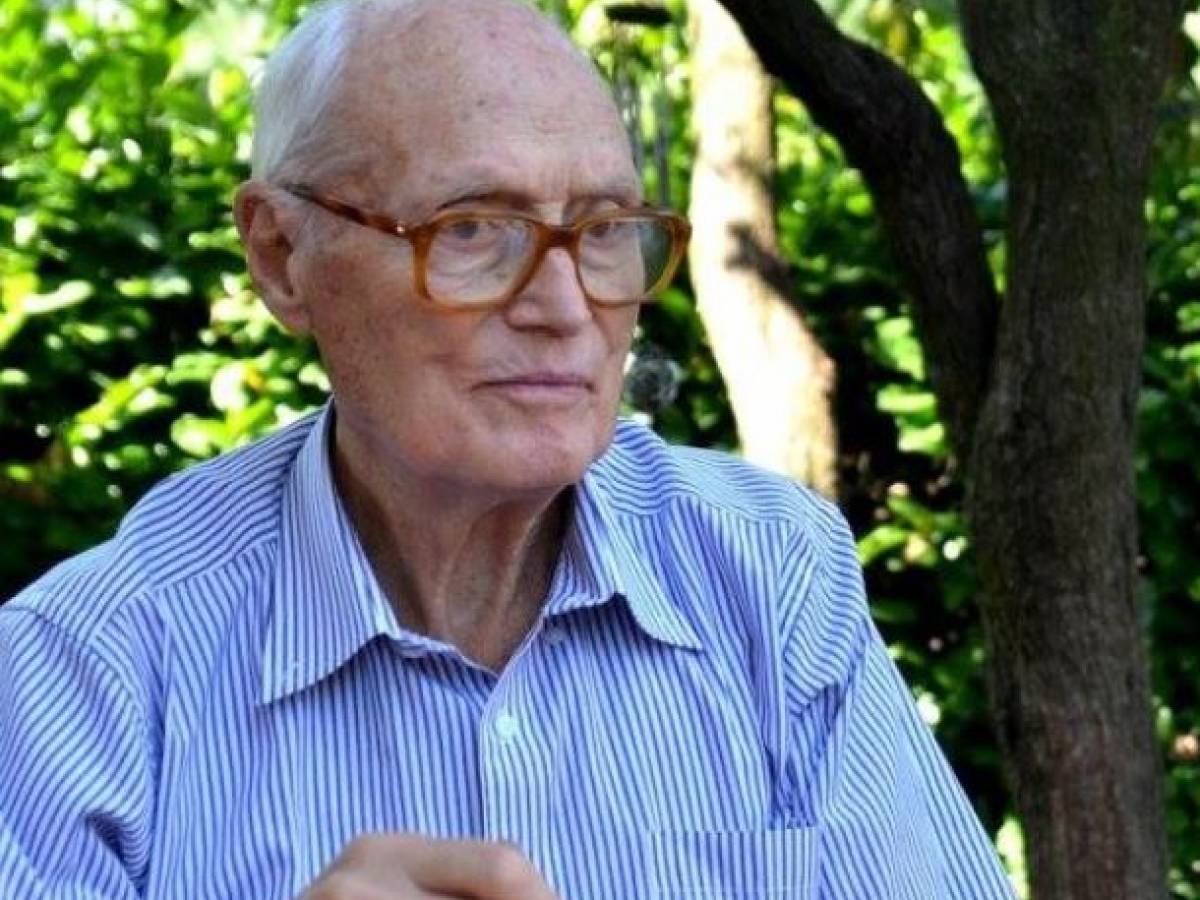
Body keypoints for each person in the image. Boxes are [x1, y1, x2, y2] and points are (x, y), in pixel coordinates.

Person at [0, 0, 1016, 897]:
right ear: (281, 256)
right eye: (474, 228)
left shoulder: (772, 576)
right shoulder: (83, 674)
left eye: (605, 227)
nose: (566, 307)